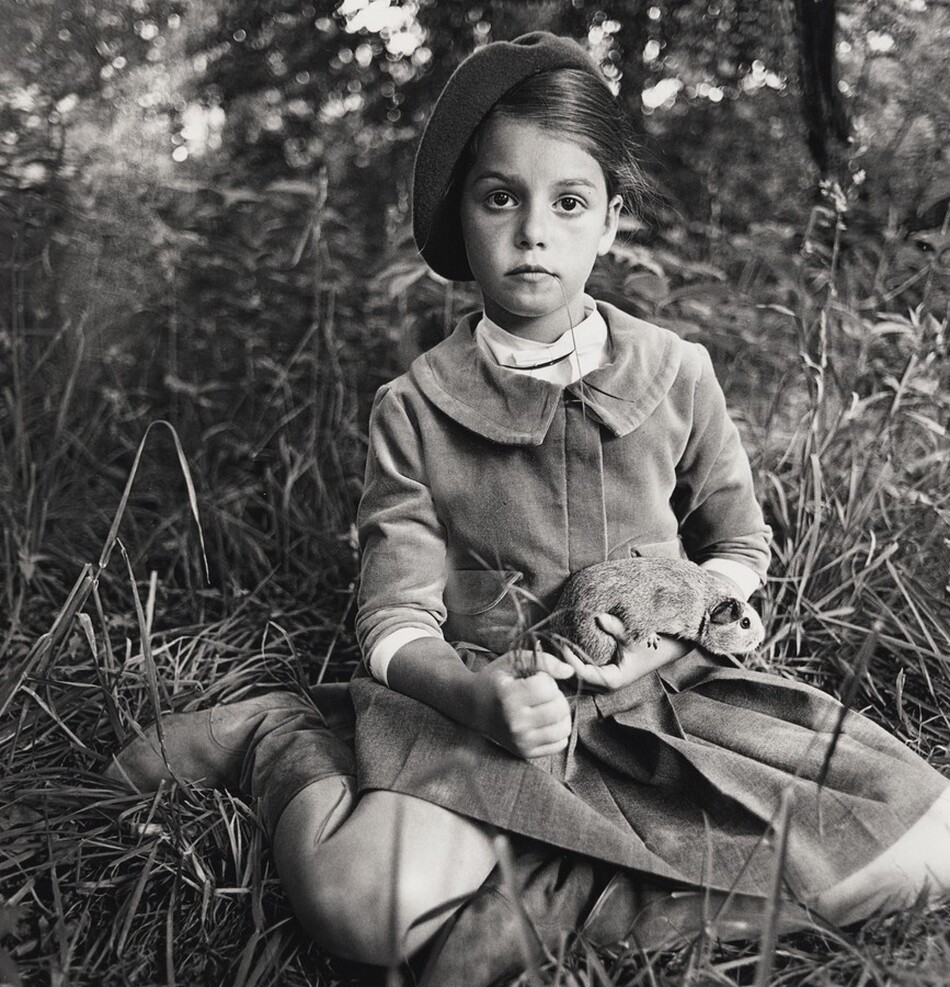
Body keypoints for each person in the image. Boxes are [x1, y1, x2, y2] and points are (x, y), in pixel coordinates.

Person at [106, 32, 950, 985]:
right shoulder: (416, 409)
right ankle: (280, 737)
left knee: (932, 849)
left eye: (569, 202)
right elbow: (394, 620)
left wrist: (670, 620)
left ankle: (521, 912)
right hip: (488, 713)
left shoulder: (676, 372)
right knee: (358, 905)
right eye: (500, 197)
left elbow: (740, 547)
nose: (534, 232)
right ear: (461, 215)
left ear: (612, 221)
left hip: (671, 709)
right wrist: (479, 697)